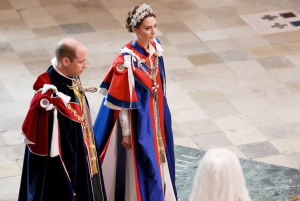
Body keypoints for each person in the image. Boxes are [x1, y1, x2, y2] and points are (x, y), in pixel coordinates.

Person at [93, 4, 177, 201]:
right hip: (138, 120)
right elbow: (121, 102)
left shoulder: (156, 49)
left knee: (161, 157)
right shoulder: (126, 61)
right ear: (135, 30)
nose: (153, 32)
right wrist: (127, 133)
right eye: (147, 28)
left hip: (156, 116)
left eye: (154, 26)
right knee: (142, 161)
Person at [18, 38, 106, 201]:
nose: (85, 65)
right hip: (63, 170)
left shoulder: (69, 74)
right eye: (82, 62)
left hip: (81, 151)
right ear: (66, 61)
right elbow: (59, 150)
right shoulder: (52, 99)